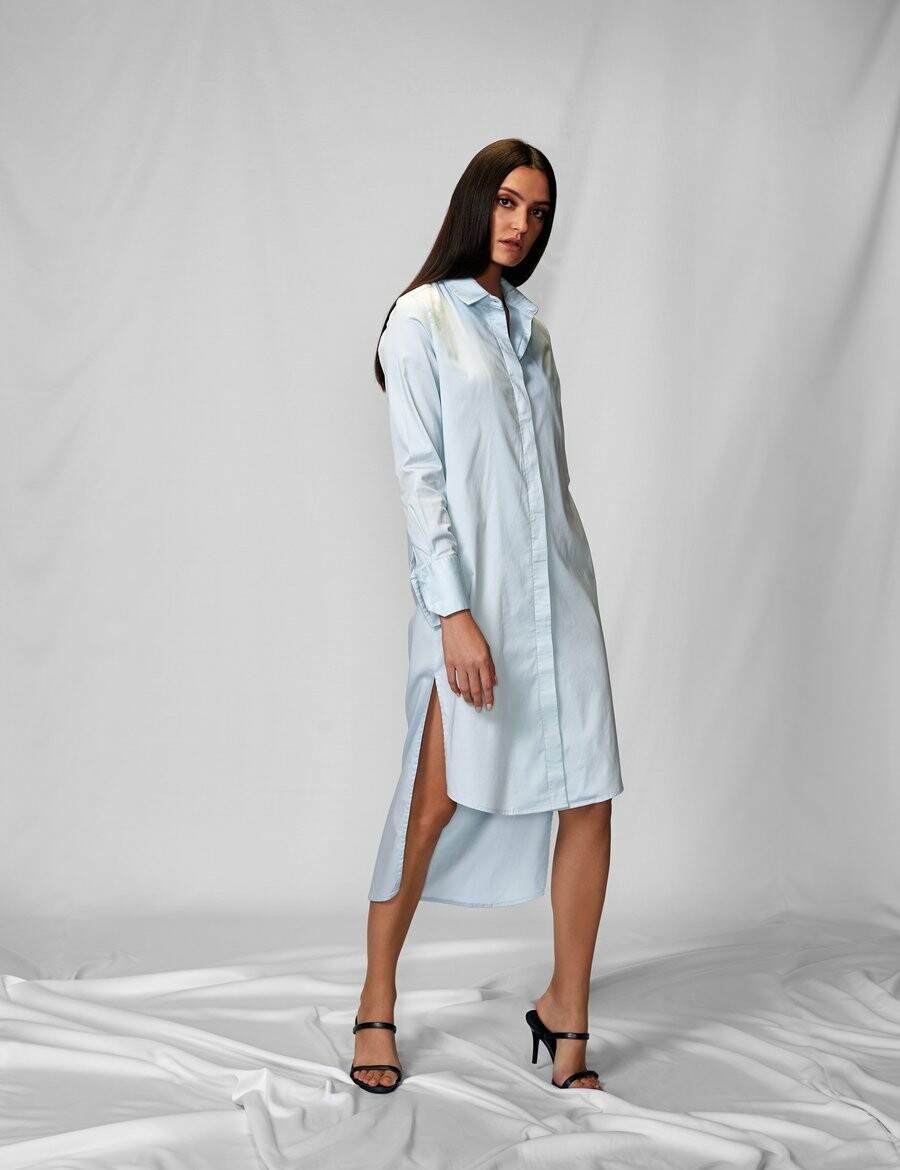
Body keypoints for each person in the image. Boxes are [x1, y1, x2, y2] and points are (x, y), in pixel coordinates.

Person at [349, 138, 624, 1096]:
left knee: (589, 794)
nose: (521, 225)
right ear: (477, 202)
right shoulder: (420, 320)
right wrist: (453, 614)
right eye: (508, 203)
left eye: (538, 212)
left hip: (561, 596)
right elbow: (420, 479)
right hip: (476, 604)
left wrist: (574, 584)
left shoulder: (532, 333)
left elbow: (552, 478)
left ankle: (567, 1015)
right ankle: (376, 997)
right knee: (433, 801)